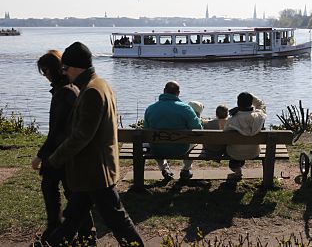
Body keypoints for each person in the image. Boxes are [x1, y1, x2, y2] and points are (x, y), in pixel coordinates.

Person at [46, 42, 144, 246]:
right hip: (94, 170)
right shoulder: (101, 84)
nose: (63, 74)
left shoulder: (91, 91)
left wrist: (54, 159)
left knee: (118, 221)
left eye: (65, 69)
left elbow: (82, 135)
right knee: (72, 220)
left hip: (93, 171)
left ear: (75, 68)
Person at [32, 50, 94, 244]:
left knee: (54, 188)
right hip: (66, 151)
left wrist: (41, 156)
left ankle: (56, 228)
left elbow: (57, 130)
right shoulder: (70, 89)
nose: (44, 75)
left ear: (51, 70)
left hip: (61, 152)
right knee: (69, 191)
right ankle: (83, 233)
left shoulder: (63, 92)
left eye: (44, 71)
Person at [144, 81, 202, 180]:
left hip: (158, 149)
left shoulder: (150, 109)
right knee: (193, 140)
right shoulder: (186, 109)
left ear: (164, 91)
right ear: (178, 93)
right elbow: (198, 129)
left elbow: (146, 130)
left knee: (154, 140)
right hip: (180, 149)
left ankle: (164, 168)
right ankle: (186, 169)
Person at [224, 93, 267, 176]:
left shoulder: (231, 120)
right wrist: (249, 95)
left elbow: (225, 135)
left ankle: (236, 168)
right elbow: (261, 105)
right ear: (251, 103)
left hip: (234, 153)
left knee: (236, 147)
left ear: (238, 103)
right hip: (254, 152)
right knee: (244, 146)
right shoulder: (259, 116)